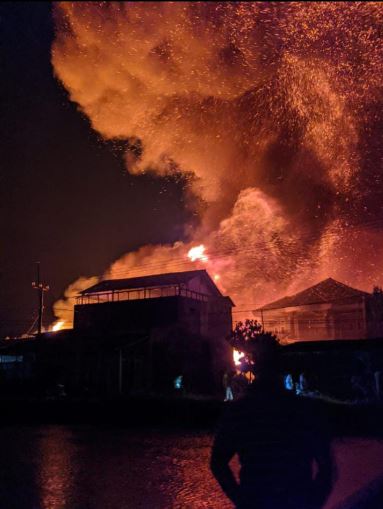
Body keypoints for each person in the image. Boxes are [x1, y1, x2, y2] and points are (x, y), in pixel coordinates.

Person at [211, 338, 336, 509]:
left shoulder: (239, 411)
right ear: (280, 368)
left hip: (256, 499)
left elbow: (218, 463)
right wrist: (312, 502)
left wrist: (241, 500)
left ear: (254, 369)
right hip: (296, 500)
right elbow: (326, 466)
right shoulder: (303, 409)